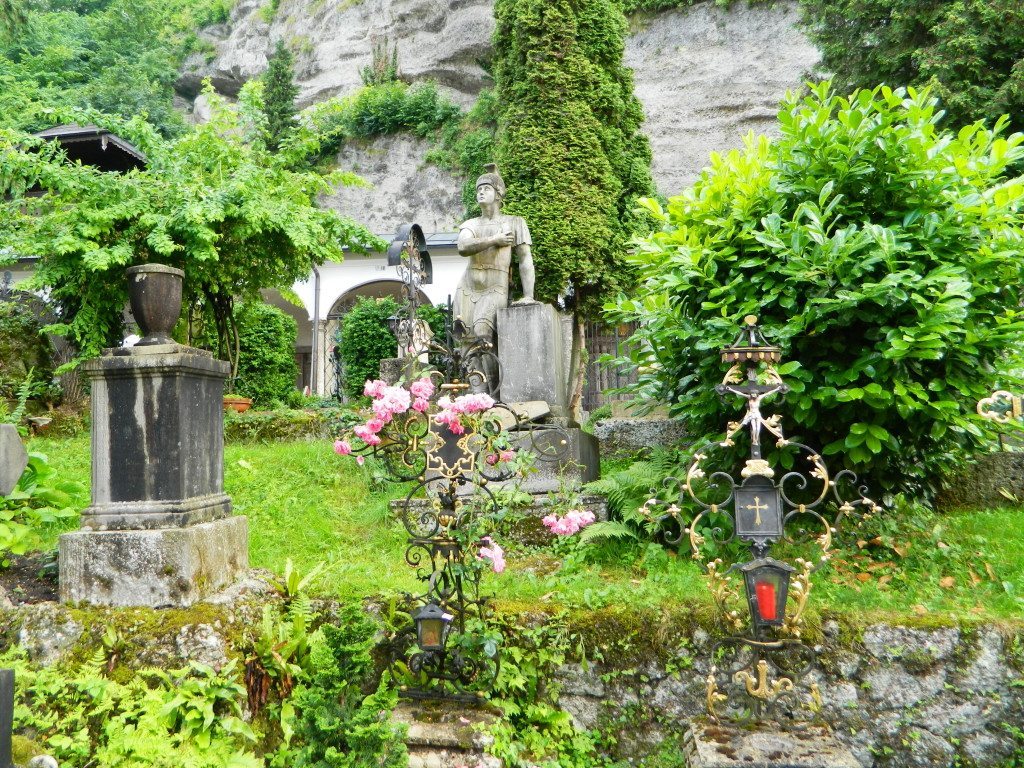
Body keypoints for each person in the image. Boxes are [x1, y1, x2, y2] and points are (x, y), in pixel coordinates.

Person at [455, 164, 536, 346]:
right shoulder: (471, 224)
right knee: (464, 340)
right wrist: (494, 239)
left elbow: (525, 259)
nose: (481, 193)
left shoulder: (514, 222)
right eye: (479, 189)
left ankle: (487, 376)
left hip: (495, 285)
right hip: (467, 286)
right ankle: (470, 376)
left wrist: (528, 295)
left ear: (498, 194)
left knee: (482, 331)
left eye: (486, 188)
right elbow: (463, 246)